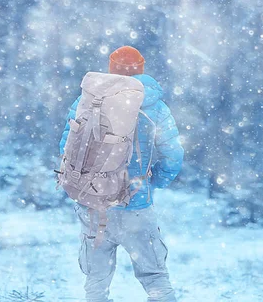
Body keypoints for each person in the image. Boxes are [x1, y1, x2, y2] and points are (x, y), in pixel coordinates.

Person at [59, 46, 184, 302]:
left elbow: (66, 146)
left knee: (96, 281)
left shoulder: (87, 99)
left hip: (93, 205)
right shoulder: (155, 107)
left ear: (110, 68)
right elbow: (173, 155)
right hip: (137, 204)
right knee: (155, 278)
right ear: (141, 68)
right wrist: (155, 181)